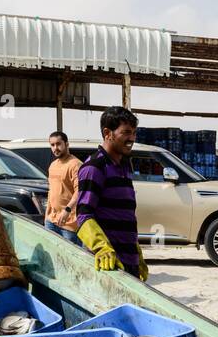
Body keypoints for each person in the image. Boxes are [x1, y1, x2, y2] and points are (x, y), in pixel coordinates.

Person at [76, 106, 148, 281]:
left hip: (128, 261)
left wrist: (136, 251)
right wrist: (102, 248)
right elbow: (84, 215)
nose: (132, 138)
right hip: (109, 266)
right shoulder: (94, 167)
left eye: (134, 133)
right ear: (108, 133)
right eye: (126, 133)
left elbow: (125, 215)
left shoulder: (123, 167)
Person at [43, 130, 82, 242]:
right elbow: (51, 192)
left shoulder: (75, 164)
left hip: (69, 223)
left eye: (58, 144)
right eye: (52, 145)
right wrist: (47, 216)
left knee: (69, 258)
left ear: (67, 144)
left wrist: (67, 211)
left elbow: (80, 191)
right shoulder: (53, 165)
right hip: (51, 221)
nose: (55, 148)